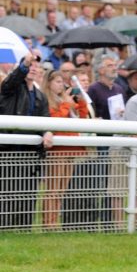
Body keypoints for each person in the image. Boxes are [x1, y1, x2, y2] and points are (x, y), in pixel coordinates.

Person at [0, 52, 54, 231]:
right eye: (29, 67)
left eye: (35, 67)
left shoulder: (40, 96)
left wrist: (47, 132)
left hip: (30, 153)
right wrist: (25, 63)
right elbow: (12, 80)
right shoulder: (11, 88)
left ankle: (24, 230)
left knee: (28, 193)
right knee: (8, 193)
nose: (32, 69)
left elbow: (45, 119)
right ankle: (5, 229)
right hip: (9, 151)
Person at [41, 69, 90, 229]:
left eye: (62, 82)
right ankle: (48, 223)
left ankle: (54, 222)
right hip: (57, 148)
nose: (61, 85)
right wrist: (67, 105)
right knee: (53, 189)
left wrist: (81, 102)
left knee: (62, 189)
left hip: (71, 146)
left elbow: (82, 118)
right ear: (48, 83)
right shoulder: (46, 100)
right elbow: (53, 120)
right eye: (57, 82)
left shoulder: (65, 99)